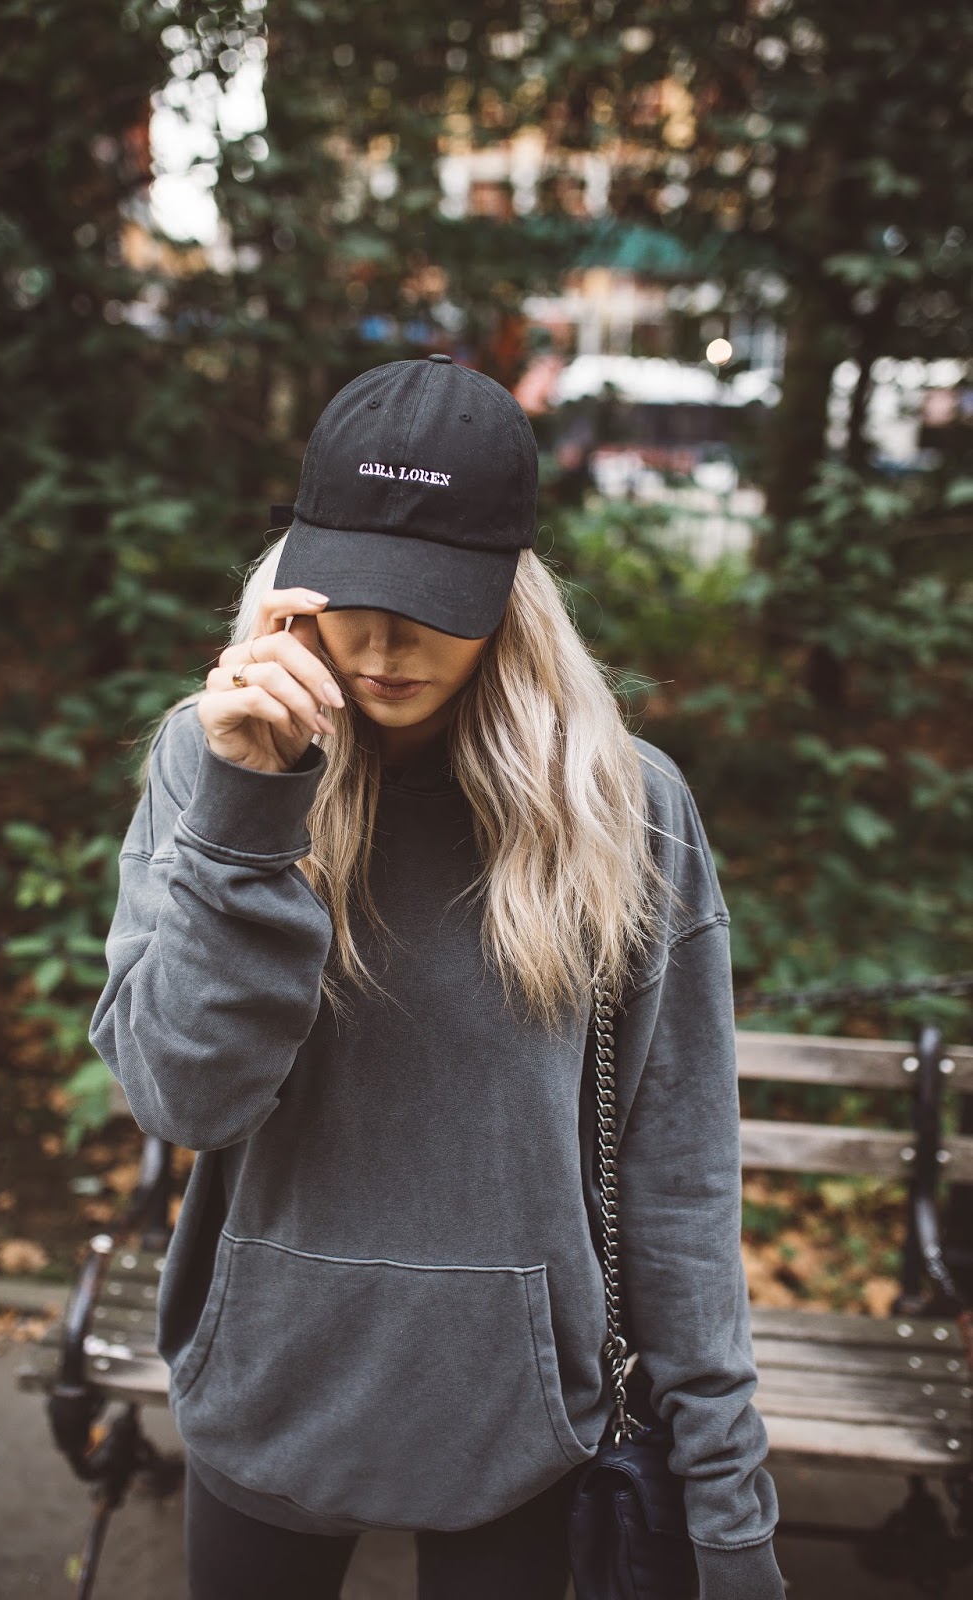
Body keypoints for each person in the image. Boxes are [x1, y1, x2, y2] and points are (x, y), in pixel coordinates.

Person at [89, 354, 785, 1600]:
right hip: (268, 1392)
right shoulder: (213, 763)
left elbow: (676, 1176)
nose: (383, 641)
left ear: (513, 593)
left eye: (432, 600)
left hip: (520, 1423)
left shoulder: (623, 807)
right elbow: (183, 1098)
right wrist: (250, 810)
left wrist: (729, 1509)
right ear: (294, 577)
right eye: (353, 592)